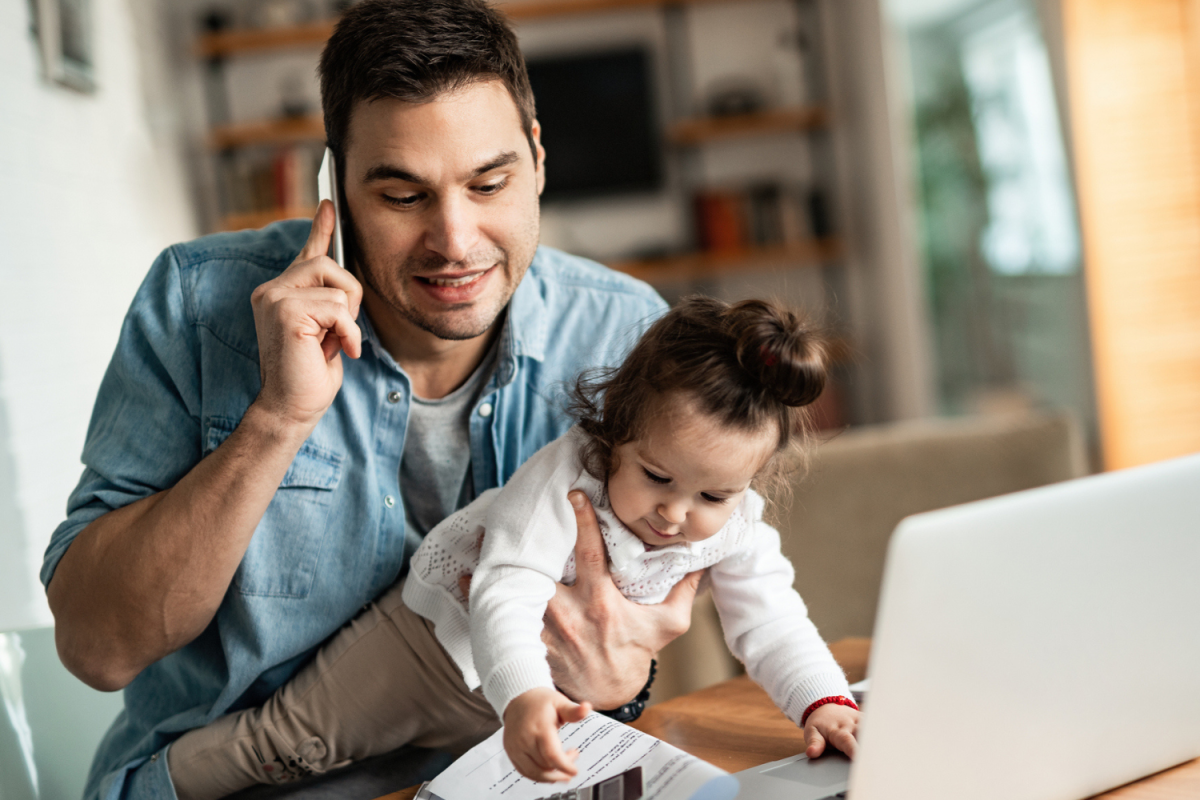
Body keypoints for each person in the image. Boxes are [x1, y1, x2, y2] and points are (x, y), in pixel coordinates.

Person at [40, 2, 700, 798]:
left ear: (537, 160)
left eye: (489, 183)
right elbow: (97, 649)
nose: (455, 240)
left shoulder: (624, 332)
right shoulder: (197, 306)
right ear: (336, 188)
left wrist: (622, 678)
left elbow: (631, 632)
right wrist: (277, 420)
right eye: (402, 196)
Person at [165, 296, 860, 797]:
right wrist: (525, 696)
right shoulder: (569, 475)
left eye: (714, 496)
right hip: (429, 647)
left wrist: (824, 703)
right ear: (617, 430)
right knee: (288, 747)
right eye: (657, 477)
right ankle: (150, 785)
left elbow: (771, 621)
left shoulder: (738, 525)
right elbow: (506, 589)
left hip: (527, 697)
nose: (676, 515)